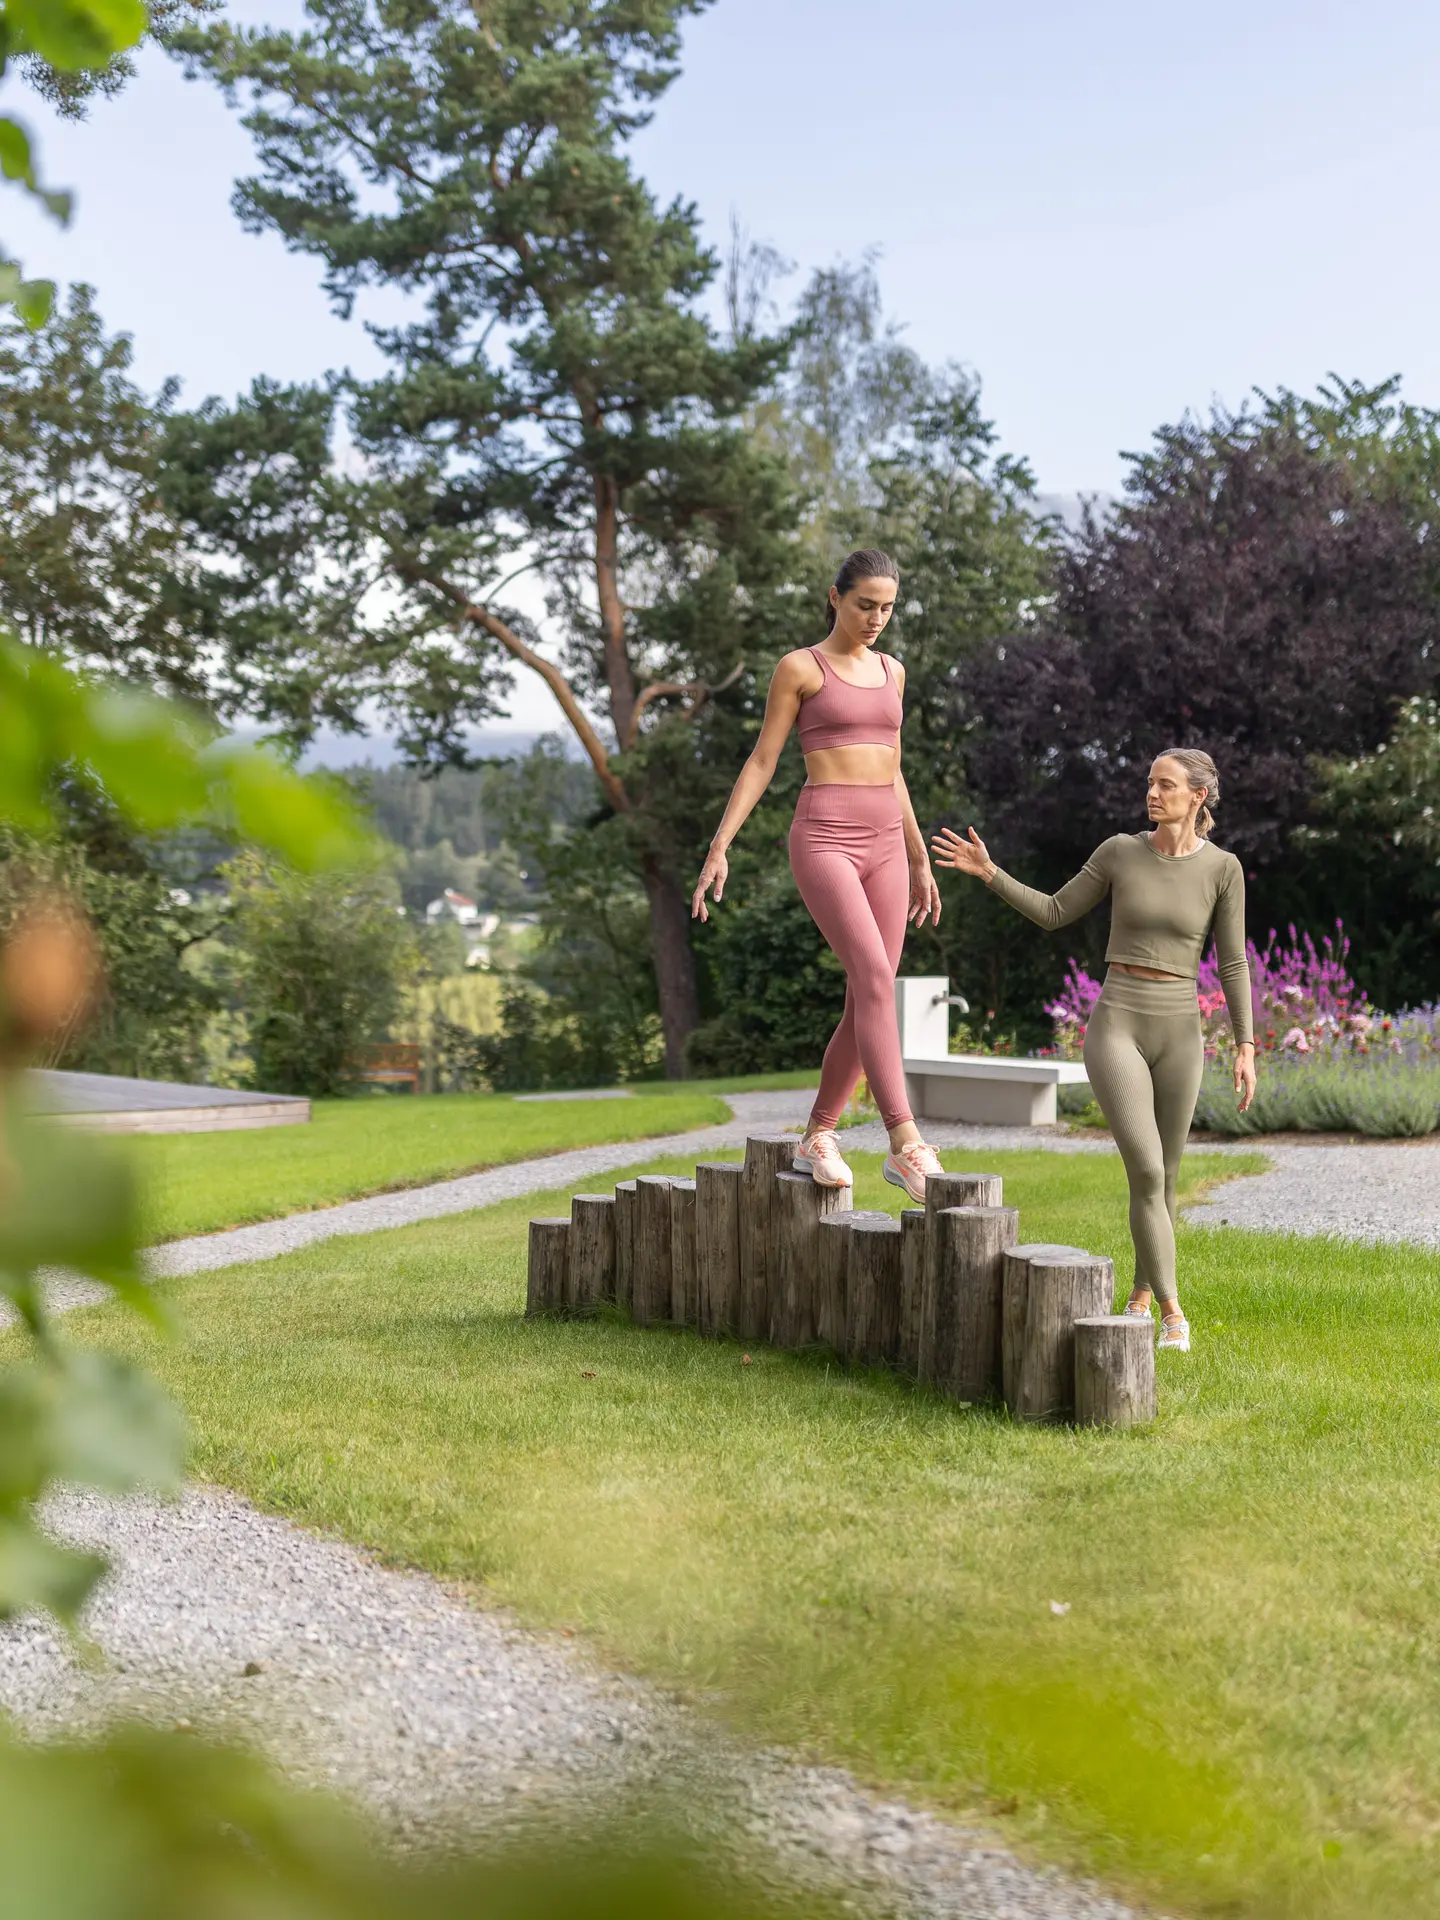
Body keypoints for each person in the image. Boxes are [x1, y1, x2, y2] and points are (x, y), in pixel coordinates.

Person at [931, 749, 1257, 1352]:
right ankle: (1173, 1314)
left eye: (1166, 785)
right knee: (1149, 1167)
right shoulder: (1119, 852)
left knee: (1164, 1178)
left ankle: (1136, 1295)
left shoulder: (1223, 869)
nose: (1152, 793)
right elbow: (1055, 912)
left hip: (1182, 1030)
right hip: (1119, 1025)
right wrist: (990, 873)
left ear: (1198, 797)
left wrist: (1245, 1043)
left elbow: (1232, 961)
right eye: (1150, 783)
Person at [690, 549, 946, 1201]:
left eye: (887, 607)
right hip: (825, 836)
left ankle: (818, 1135)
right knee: (874, 977)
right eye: (865, 605)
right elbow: (762, 760)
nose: (877, 618)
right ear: (834, 598)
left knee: (869, 996)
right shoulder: (801, 668)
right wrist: (720, 845)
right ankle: (905, 1141)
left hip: (888, 841)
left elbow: (893, 768)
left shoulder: (894, 672)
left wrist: (917, 856)